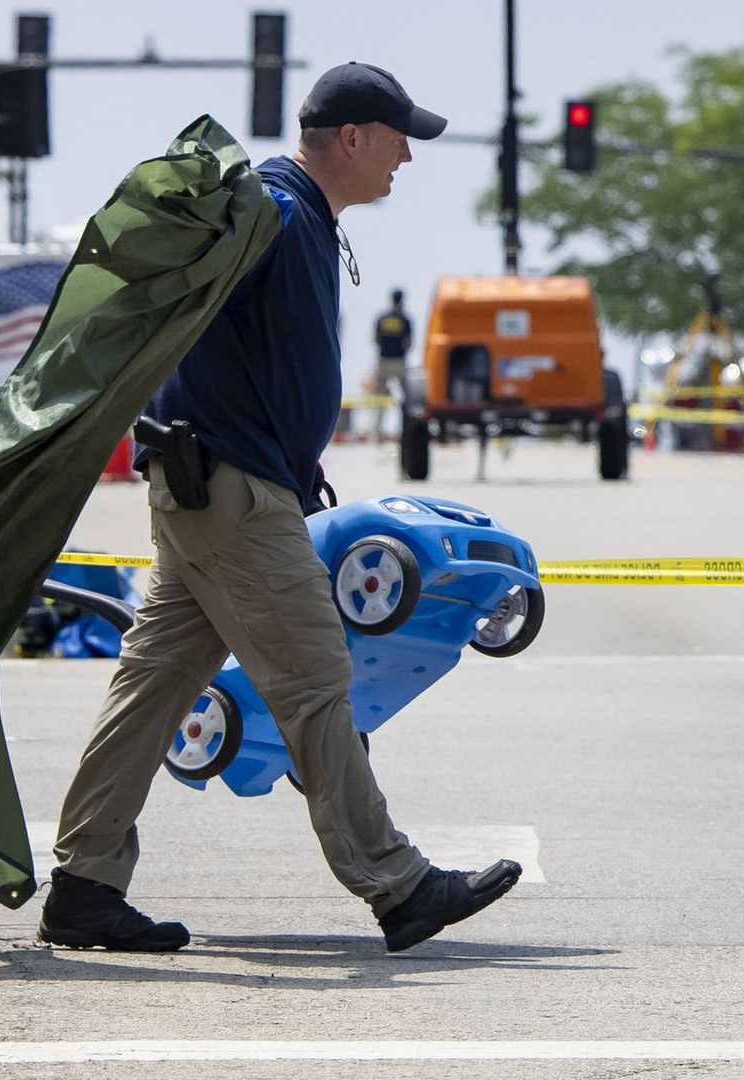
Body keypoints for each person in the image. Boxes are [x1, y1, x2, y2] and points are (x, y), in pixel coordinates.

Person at [41, 62, 522, 954]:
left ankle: (81, 886)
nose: (406, 159)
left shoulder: (281, 213)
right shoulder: (282, 215)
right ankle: (398, 883)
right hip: (232, 491)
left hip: (208, 484)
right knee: (312, 684)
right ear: (350, 138)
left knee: (149, 692)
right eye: (398, 138)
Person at [373, 288, 415, 440]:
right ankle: (404, 434)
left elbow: (376, 339)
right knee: (407, 401)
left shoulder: (382, 319)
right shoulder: (405, 320)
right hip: (399, 362)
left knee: (378, 400)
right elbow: (409, 343)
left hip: (383, 360)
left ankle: (376, 436)